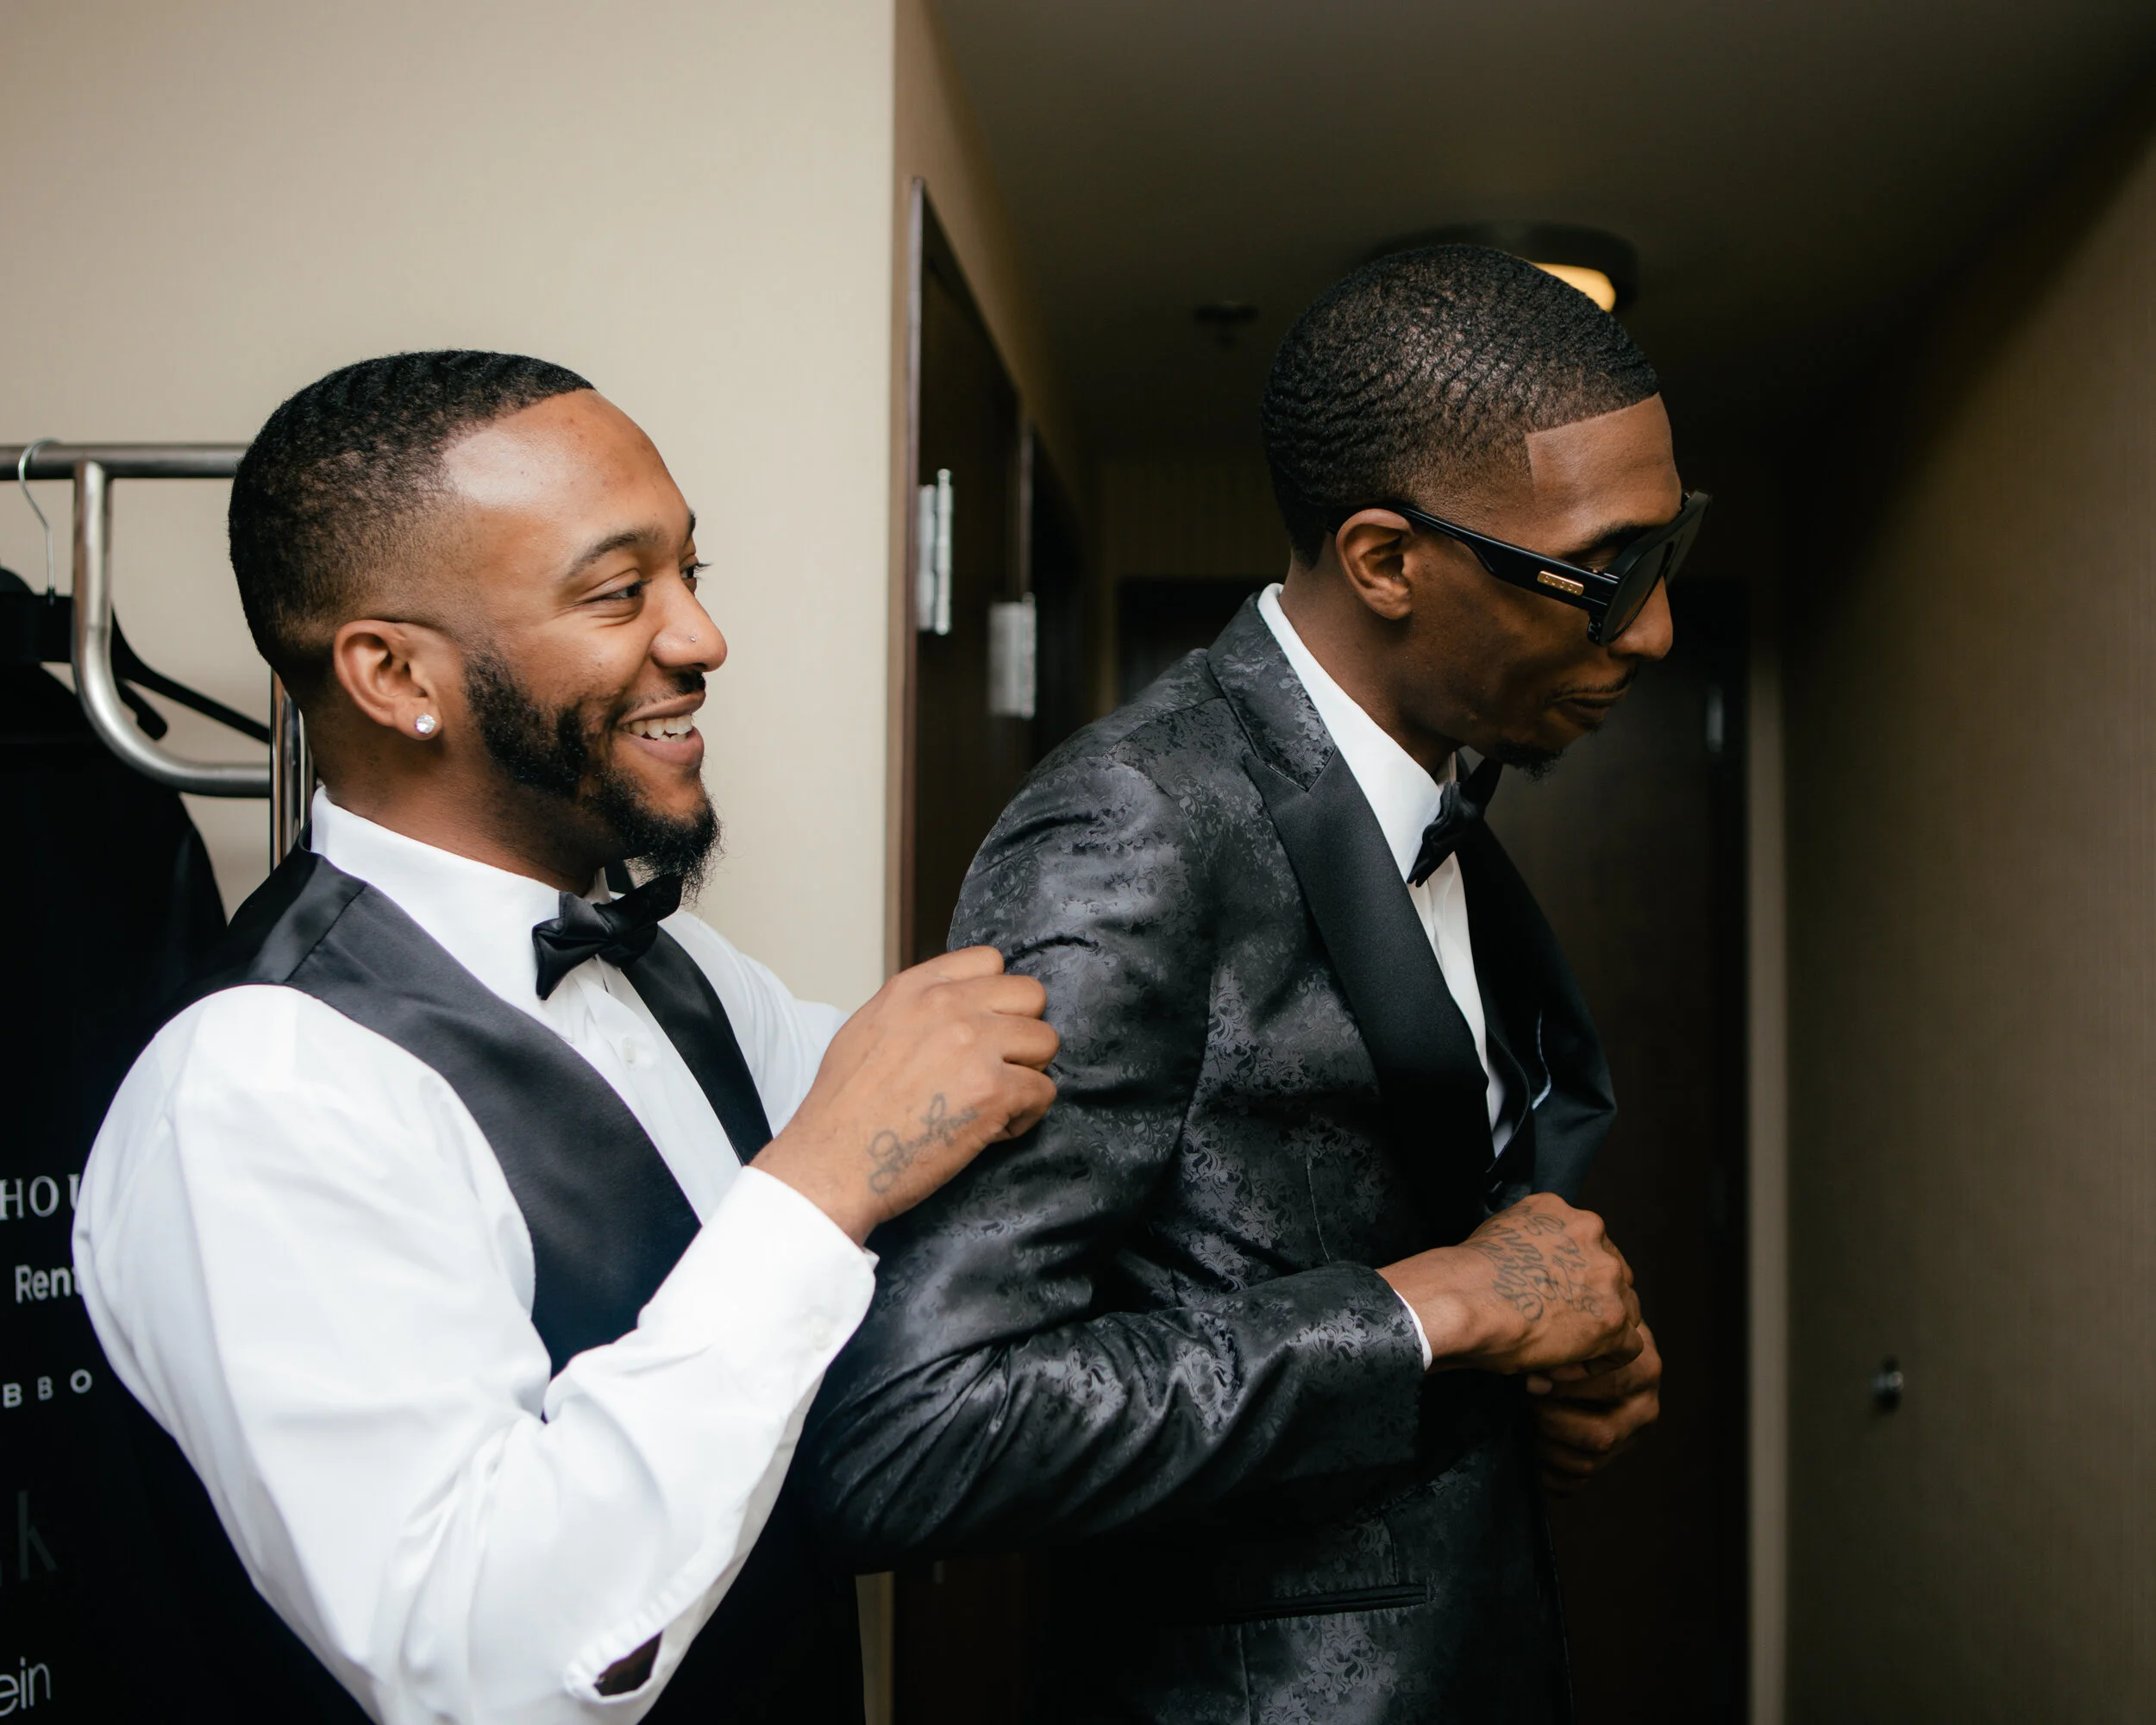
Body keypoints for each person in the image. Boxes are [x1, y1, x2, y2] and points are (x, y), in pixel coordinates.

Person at [72, 351, 1057, 1725]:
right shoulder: (260, 1087)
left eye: (689, 573)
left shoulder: (682, 971)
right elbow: (487, 1668)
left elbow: (950, 1124)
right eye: (618, 592)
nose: (702, 638)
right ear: (395, 673)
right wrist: (823, 1181)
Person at [805, 248, 1702, 1721]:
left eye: (1667, 555)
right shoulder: (1137, 829)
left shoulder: (1434, 797)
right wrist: (1433, 1311)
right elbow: (916, 1437)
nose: (1653, 627)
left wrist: (1550, 1346)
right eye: (1605, 575)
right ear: (1386, 561)